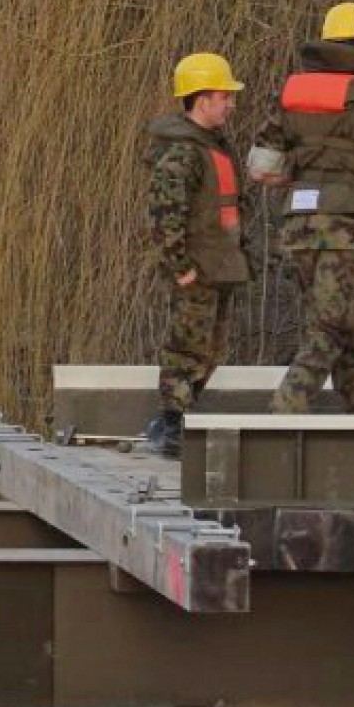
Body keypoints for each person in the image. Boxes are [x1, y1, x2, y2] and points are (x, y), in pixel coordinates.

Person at [247, 1, 354, 413]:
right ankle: (284, 409)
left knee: (335, 318)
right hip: (349, 228)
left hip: (299, 226)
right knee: (334, 323)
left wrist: (303, 173)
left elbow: (261, 169)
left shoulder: (290, 90)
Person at [142, 52, 250, 457]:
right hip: (198, 269)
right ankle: (171, 426)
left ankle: (176, 421)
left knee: (213, 350)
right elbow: (165, 214)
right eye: (225, 96)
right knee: (186, 348)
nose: (231, 103)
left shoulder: (211, 147)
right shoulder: (183, 152)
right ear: (202, 99)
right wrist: (181, 267)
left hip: (218, 265)